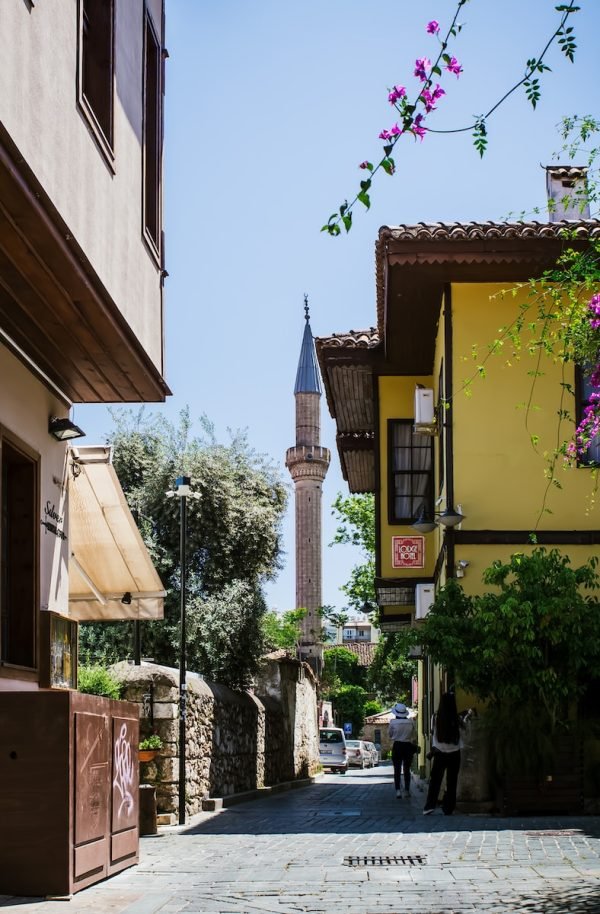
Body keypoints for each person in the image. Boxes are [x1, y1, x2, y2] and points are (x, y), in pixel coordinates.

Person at [423, 691, 465, 816]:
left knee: (435, 781)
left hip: (440, 753)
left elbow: (433, 734)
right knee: (452, 781)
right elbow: (462, 734)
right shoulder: (457, 718)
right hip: (455, 753)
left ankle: (429, 806)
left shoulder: (435, 717)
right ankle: (449, 807)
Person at [388, 702, 416, 799]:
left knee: (397, 769)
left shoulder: (392, 722)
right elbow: (413, 734)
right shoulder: (411, 722)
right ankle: (407, 790)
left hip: (398, 745)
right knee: (407, 769)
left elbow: (390, 735)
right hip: (407, 746)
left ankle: (398, 791)